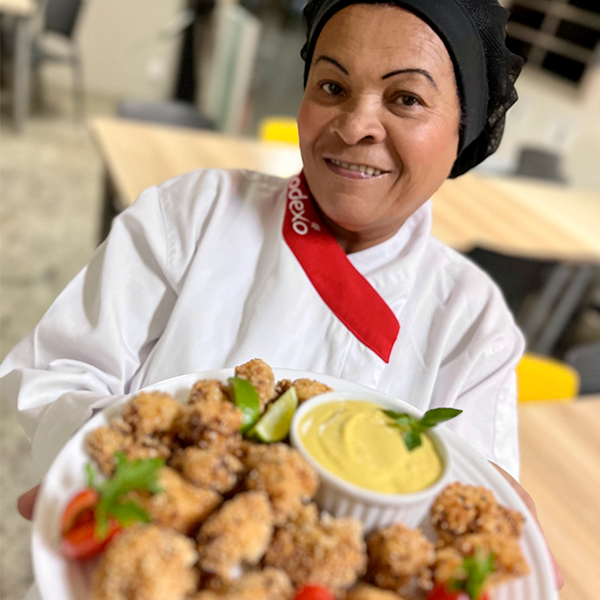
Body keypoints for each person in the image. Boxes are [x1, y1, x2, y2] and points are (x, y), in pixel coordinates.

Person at [3, 0, 563, 596]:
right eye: (332, 85)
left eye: (405, 99)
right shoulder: (191, 216)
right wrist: (115, 464)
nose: (354, 126)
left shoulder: (472, 322)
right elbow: (50, 377)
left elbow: (468, 507)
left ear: (464, 129)